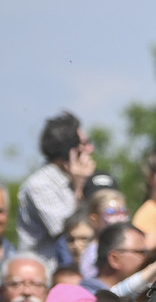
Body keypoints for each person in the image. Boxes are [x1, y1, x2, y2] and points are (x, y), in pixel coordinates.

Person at [15, 112, 96, 262]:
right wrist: (79, 187)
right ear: (69, 152)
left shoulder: (75, 179)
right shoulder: (40, 185)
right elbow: (70, 231)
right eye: (84, 144)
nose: (90, 149)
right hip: (44, 275)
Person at [93, 223, 156, 302]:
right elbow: (110, 300)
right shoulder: (88, 294)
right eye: (141, 252)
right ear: (114, 259)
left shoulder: (142, 292)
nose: (146, 258)